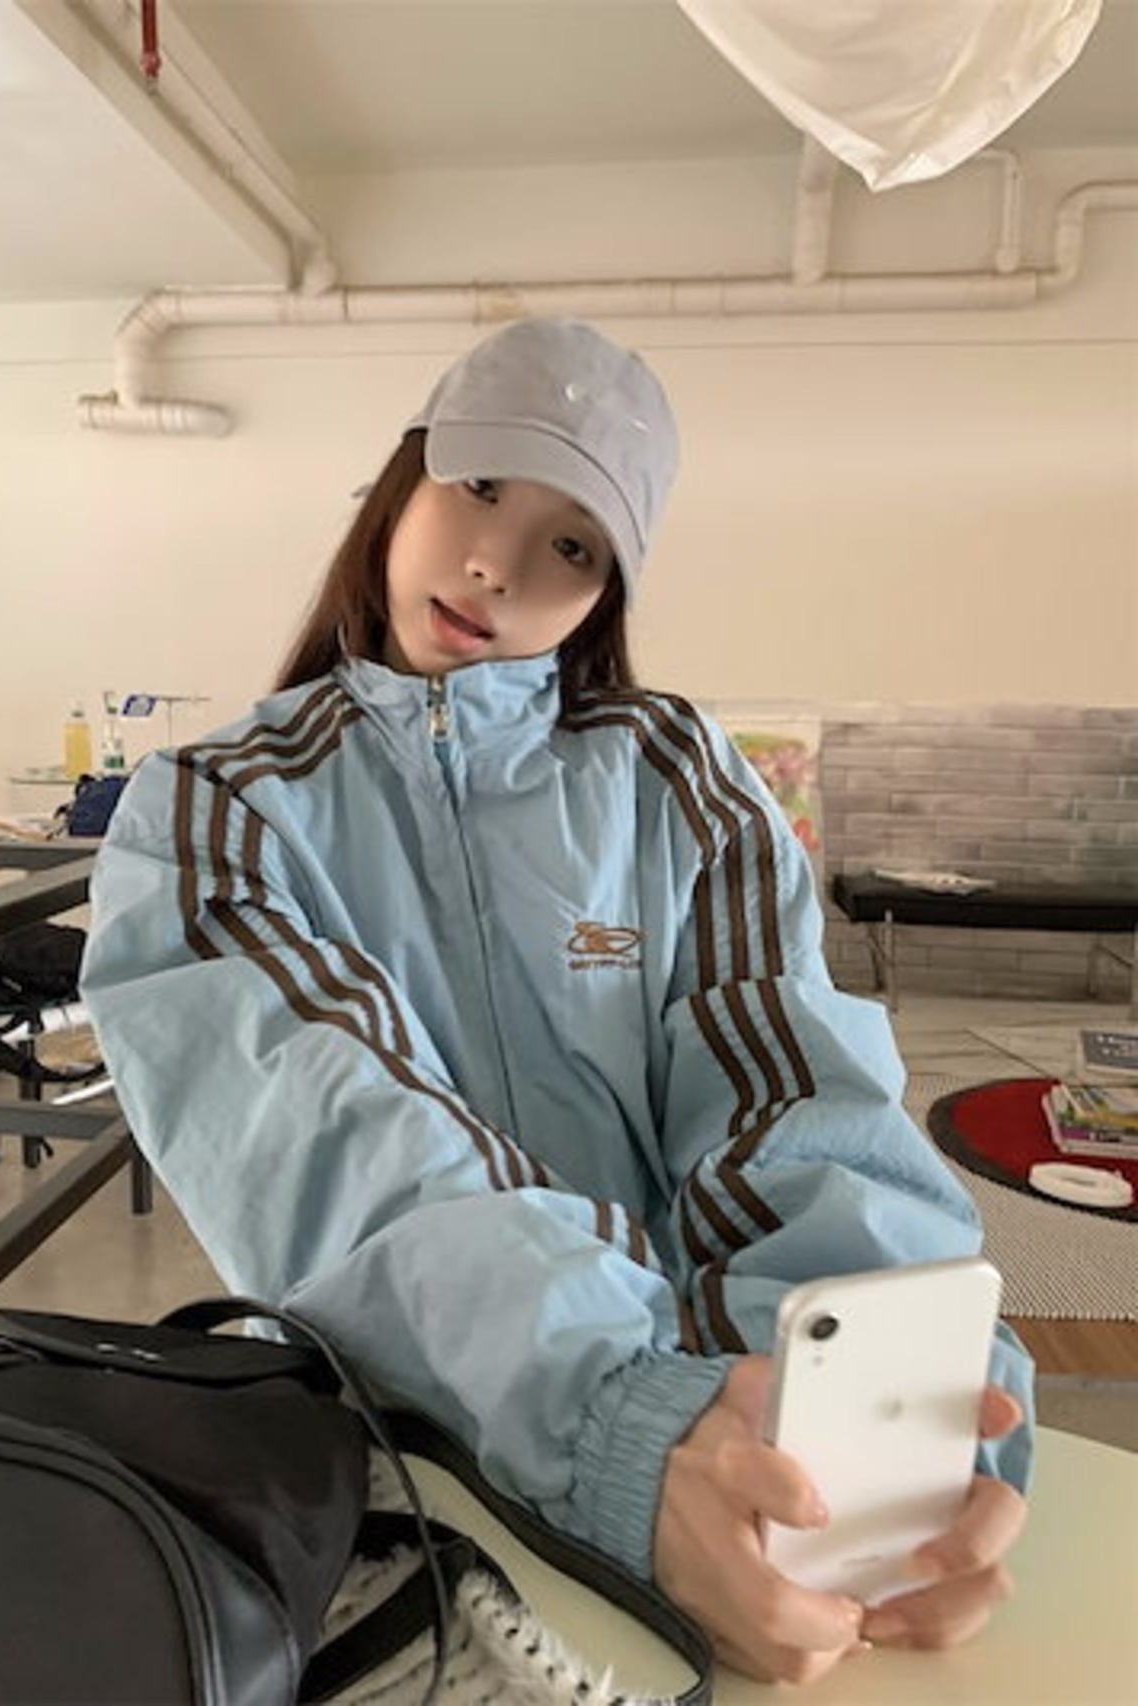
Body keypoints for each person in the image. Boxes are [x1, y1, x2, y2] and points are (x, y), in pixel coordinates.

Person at [81, 317, 1032, 1686]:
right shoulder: (217, 808)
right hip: (400, 1474)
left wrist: (893, 1403)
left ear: (609, 590)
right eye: (478, 486)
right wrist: (627, 1424)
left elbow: (793, 1093)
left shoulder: (676, 776)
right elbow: (338, 1142)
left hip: (726, 1472)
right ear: (403, 478)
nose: (498, 565)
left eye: (573, 544)